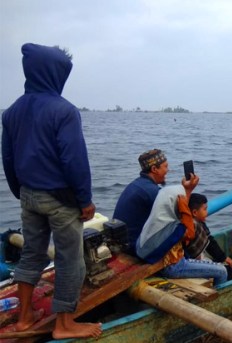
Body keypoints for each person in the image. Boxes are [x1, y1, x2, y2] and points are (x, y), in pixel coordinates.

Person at [1, 43, 102, 339]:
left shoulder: (12, 112)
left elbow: (7, 157)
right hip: (61, 200)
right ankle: (64, 324)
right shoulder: (64, 110)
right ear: (54, 74)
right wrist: (84, 199)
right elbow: (74, 159)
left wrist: (19, 191)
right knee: (70, 259)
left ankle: (23, 319)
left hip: (28, 195)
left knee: (31, 255)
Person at [139, 175, 228, 286]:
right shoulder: (174, 227)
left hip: (164, 264)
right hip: (175, 266)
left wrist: (188, 189)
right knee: (222, 270)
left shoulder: (157, 221)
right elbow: (189, 233)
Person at [113, 149, 168, 253]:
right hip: (134, 248)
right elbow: (177, 213)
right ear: (154, 169)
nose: (168, 170)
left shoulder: (137, 184)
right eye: (165, 166)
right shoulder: (151, 191)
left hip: (123, 244)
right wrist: (188, 189)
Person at [188, 193, 232, 280]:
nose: (207, 212)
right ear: (194, 212)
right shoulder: (194, 226)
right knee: (226, 269)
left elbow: (210, 243)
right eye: (205, 209)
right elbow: (209, 243)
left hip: (196, 259)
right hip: (192, 262)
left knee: (222, 262)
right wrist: (224, 258)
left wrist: (223, 258)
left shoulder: (199, 223)